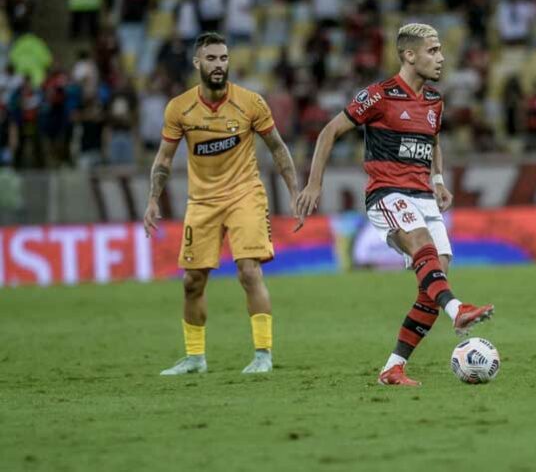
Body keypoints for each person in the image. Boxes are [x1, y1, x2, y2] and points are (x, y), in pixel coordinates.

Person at [296, 23, 494, 387]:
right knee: (423, 247)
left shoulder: (434, 100)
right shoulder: (378, 95)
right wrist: (314, 183)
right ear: (409, 55)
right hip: (387, 193)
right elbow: (329, 131)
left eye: (440, 50)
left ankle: (393, 368)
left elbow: (432, 139)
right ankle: (459, 310)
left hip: (423, 195)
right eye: (433, 51)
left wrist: (438, 180)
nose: (441, 58)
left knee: (433, 282)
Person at [143, 32, 301, 375]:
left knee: (248, 270)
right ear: (197, 62)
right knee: (192, 281)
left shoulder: (251, 102)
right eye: (212, 59)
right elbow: (164, 159)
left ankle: (263, 355)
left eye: (224, 58)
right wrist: (153, 200)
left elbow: (277, 147)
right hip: (201, 201)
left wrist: (293, 191)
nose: (219, 65)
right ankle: (195, 358)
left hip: (245, 194)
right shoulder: (179, 108)